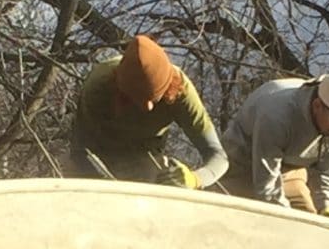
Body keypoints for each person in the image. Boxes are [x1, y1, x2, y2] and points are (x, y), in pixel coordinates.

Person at [66, 35, 228, 190]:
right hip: (98, 158)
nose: (148, 107)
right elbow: (80, 151)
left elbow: (218, 157)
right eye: (137, 99)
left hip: (147, 157)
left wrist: (195, 178)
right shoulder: (99, 86)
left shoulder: (181, 90)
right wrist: (109, 186)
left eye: (155, 98)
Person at [220, 71, 329, 217]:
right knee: (233, 221)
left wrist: (326, 206)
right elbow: (267, 187)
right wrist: (284, 218)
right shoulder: (276, 117)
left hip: (291, 168)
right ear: (317, 106)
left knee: (309, 226)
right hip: (241, 163)